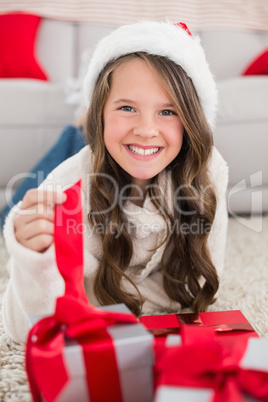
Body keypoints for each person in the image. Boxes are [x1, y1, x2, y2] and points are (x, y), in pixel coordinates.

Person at [2, 20, 228, 343]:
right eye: (126, 107)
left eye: (168, 112)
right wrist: (33, 263)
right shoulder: (66, 187)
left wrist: (91, 299)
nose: (146, 129)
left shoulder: (208, 172)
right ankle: (75, 133)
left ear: (191, 120)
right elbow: (26, 330)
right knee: (13, 219)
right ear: (100, 113)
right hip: (88, 160)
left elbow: (198, 292)